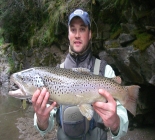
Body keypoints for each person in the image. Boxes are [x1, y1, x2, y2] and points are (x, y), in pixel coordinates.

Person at [32, 9, 129, 140]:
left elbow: (122, 126)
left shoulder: (105, 71)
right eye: (73, 29)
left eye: (82, 29)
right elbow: (44, 127)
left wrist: (115, 123)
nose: (77, 35)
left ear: (89, 34)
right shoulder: (53, 75)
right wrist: (41, 120)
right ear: (68, 34)